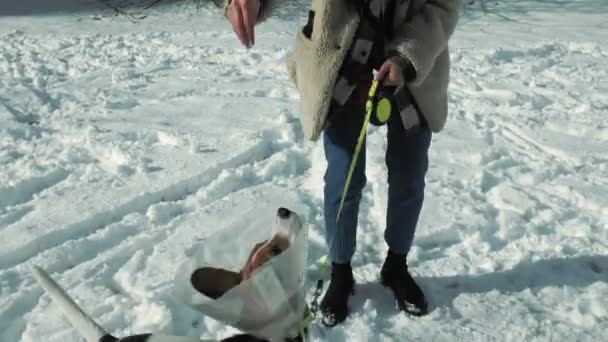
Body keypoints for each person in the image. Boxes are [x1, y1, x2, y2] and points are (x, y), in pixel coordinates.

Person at [224, 0, 461, 327]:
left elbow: (443, 6)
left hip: (414, 73)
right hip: (342, 66)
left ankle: (396, 266)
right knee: (342, 179)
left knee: (409, 176)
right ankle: (340, 272)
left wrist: (407, 57)